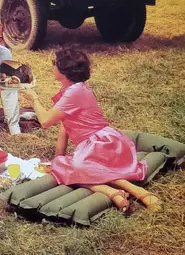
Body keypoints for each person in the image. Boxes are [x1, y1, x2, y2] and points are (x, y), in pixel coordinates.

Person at [20, 48, 160, 212]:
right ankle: (112, 192)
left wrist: (34, 98)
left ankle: (134, 190)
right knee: (64, 167)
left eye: (54, 64)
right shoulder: (74, 89)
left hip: (101, 146)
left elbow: (44, 121)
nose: (52, 67)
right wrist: (58, 159)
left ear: (64, 70)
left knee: (75, 171)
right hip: (103, 143)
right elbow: (65, 126)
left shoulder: (74, 92)